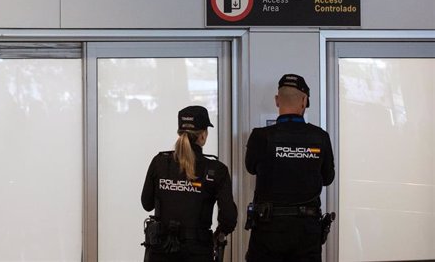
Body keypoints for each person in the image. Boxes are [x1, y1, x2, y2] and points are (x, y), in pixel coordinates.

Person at [245, 74, 335, 262]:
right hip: (306, 232)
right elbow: (328, 178)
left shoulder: (260, 136)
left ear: (277, 100)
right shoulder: (320, 137)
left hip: (268, 229)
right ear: (304, 101)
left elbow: (250, 168)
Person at [141, 105, 238, 262]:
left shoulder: (159, 162)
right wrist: (218, 235)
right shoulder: (216, 169)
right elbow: (228, 218)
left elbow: (147, 204)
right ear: (203, 136)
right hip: (197, 251)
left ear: (179, 133)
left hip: (160, 250)